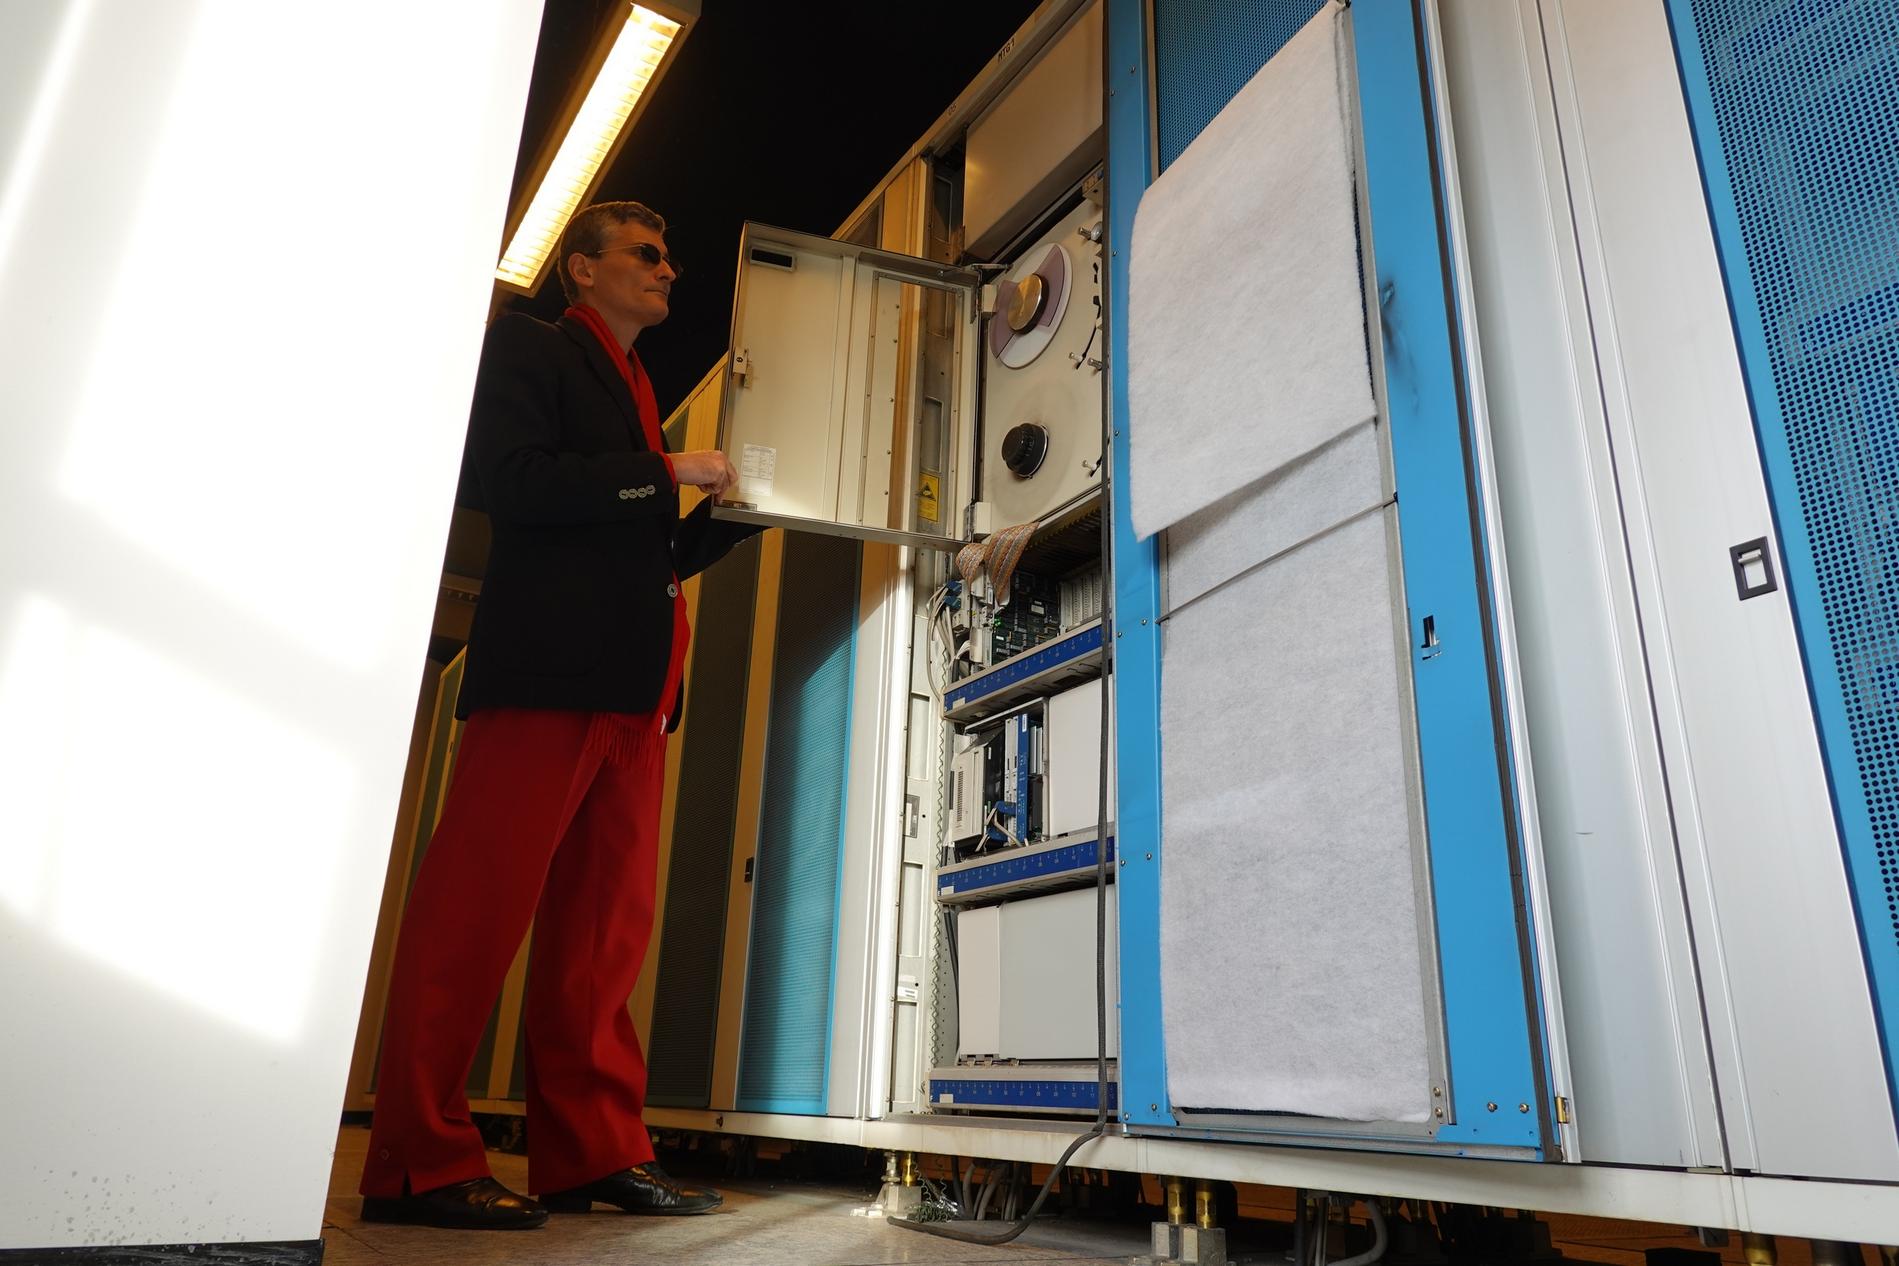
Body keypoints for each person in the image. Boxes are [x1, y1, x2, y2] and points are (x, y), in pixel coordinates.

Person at [359, 201, 756, 1230]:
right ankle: (416, 1161)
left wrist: (728, 521)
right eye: (646, 254)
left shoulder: (637, 387)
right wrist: (663, 472)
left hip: (632, 696)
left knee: (600, 941)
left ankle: (590, 1155)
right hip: (546, 680)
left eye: (669, 257)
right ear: (581, 268)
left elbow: (639, 550)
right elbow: (517, 485)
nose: (668, 269)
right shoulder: (530, 346)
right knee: (473, 914)